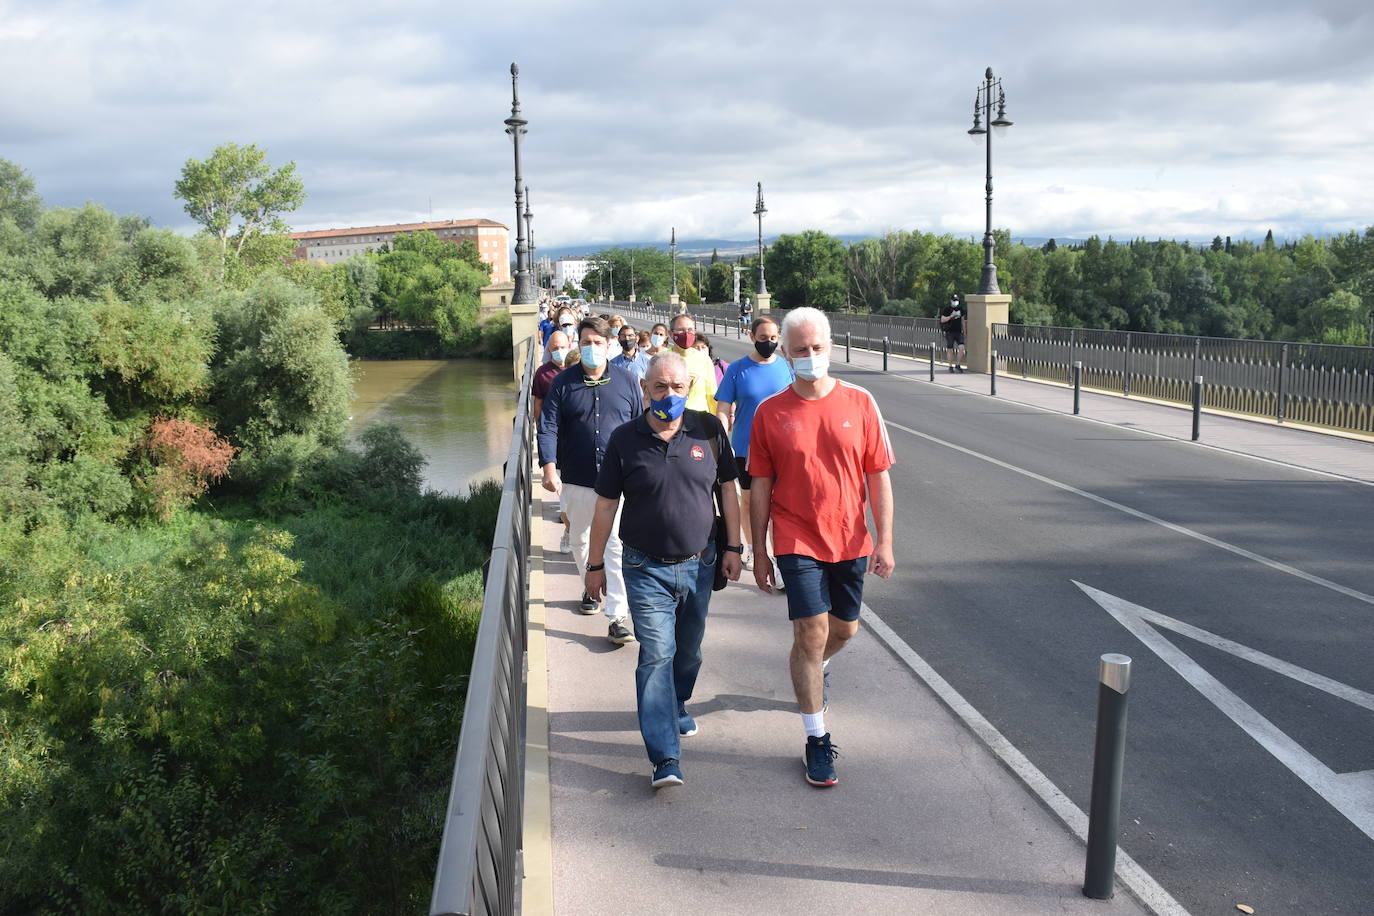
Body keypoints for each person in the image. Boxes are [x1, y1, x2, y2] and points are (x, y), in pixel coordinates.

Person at [748, 307, 895, 788]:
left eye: (817, 348)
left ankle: (815, 667)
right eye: (800, 351)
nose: (810, 357)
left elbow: (878, 478)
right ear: (786, 355)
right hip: (797, 537)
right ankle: (816, 738)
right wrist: (761, 551)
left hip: (850, 537)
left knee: (844, 632)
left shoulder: (860, 402)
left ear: (829, 347)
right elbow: (762, 488)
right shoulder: (771, 413)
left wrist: (885, 541)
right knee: (810, 632)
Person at [585, 352, 742, 789]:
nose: (668, 395)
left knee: (688, 652)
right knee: (656, 654)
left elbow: (727, 489)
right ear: (644, 389)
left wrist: (735, 546)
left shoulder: (708, 430)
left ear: (688, 387)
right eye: (659, 387)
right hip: (644, 568)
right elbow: (604, 505)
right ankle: (664, 756)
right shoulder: (624, 439)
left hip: (701, 564)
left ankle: (676, 702)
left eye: (677, 387)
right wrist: (594, 565)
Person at [537, 316, 643, 645]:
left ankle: (617, 616)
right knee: (580, 540)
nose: (592, 348)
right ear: (578, 345)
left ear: (609, 345)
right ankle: (590, 585)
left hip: (618, 482)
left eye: (598, 343)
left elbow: (640, 427)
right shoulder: (563, 383)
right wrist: (549, 468)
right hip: (578, 478)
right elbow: (549, 426)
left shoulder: (627, 382)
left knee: (614, 545)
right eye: (586, 343)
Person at [714, 316, 792, 573]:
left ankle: (780, 555)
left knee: (780, 504)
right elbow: (723, 407)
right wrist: (723, 440)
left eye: (773, 338)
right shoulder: (737, 369)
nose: (768, 343)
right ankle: (752, 546)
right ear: (751, 337)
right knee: (750, 502)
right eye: (762, 338)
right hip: (746, 449)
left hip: (782, 450)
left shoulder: (787, 368)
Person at [668, 313, 718, 413]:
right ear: (671, 333)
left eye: (690, 330)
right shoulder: (661, 359)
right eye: (681, 330)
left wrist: (716, 423)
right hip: (672, 419)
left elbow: (711, 395)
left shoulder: (704, 359)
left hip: (700, 420)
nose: (686, 333)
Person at [940, 294, 966, 373]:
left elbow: (962, 320)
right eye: (954, 300)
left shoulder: (960, 309)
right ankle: (950, 366)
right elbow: (942, 320)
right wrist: (951, 316)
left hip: (958, 332)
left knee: (961, 348)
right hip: (950, 332)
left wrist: (965, 331)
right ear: (951, 301)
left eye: (956, 300)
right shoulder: (947, 309)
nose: (955, 302)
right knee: (950, 349)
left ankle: (957, 365)